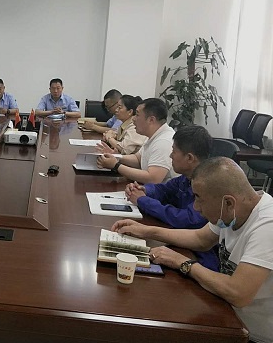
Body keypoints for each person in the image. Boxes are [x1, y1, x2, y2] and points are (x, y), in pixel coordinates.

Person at [112, 157, 273, 343]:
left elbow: (238, 293)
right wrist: (147, 231)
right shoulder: (234, 210)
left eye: (199, 199)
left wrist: (183, 263)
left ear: (228, 202)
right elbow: (200, 239)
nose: (196, 207)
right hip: (227, 313)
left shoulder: (267, 225)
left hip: (252, 335)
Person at [124, 125, 219, 270]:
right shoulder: (186, 177)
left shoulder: (208, 185)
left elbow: (187, 219)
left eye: (174, 151)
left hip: (201, 256)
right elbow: (164, 189)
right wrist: (144, 190)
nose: (170, 156)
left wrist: (142, 200)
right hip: (180, 241)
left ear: (189, 158)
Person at [97, 98, 176, 184]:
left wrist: (116, 166)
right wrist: (115, 156)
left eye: (137, 115)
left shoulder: (164, 141)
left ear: (151, 120)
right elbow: (138, 159)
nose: (133, 119)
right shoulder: (155, 135)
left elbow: (153, 179)